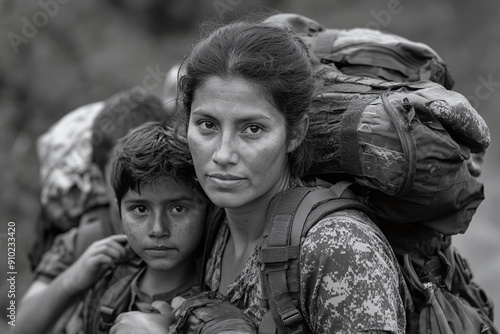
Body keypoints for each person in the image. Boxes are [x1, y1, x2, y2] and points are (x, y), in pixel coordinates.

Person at [111, 20, 408, 334]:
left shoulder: (337, 248)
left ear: (295, 133)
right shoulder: (212, 221)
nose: (223, 154)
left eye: (252, 129)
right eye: (207, 125)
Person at [15, 121, 210, 334]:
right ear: (119, 210)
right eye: (140, 209)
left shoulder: (212, 300)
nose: (158, 229)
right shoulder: (105, 277)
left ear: (208, 207)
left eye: (178, 209)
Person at [18, 90, 169, 334]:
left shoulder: (197, 237)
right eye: (123, 168)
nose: (140, 180)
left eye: (157, 164)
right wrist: (72, 279)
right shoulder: (82, 242)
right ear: (98, 181)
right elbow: (19, 326)